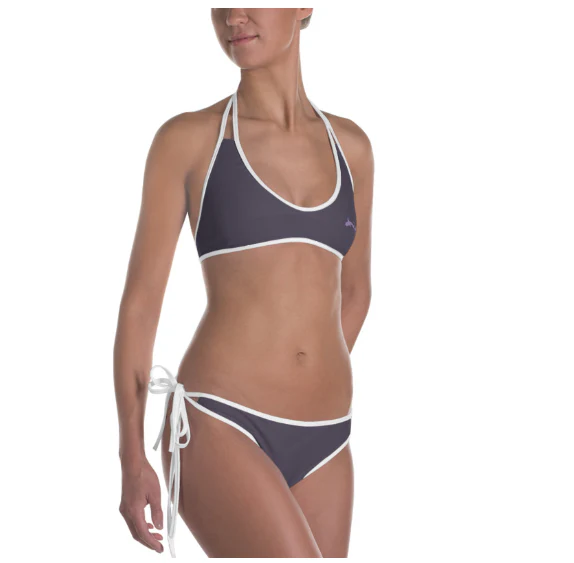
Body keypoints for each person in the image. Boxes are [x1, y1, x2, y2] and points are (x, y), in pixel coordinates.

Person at [114, 8, 373, 558]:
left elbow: (355, 291)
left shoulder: (352, 149)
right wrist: (132, 458)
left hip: (327, 437)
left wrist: (301, 374)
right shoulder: (189, 141)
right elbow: (140, 308)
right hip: (220, 422)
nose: (233, 14)